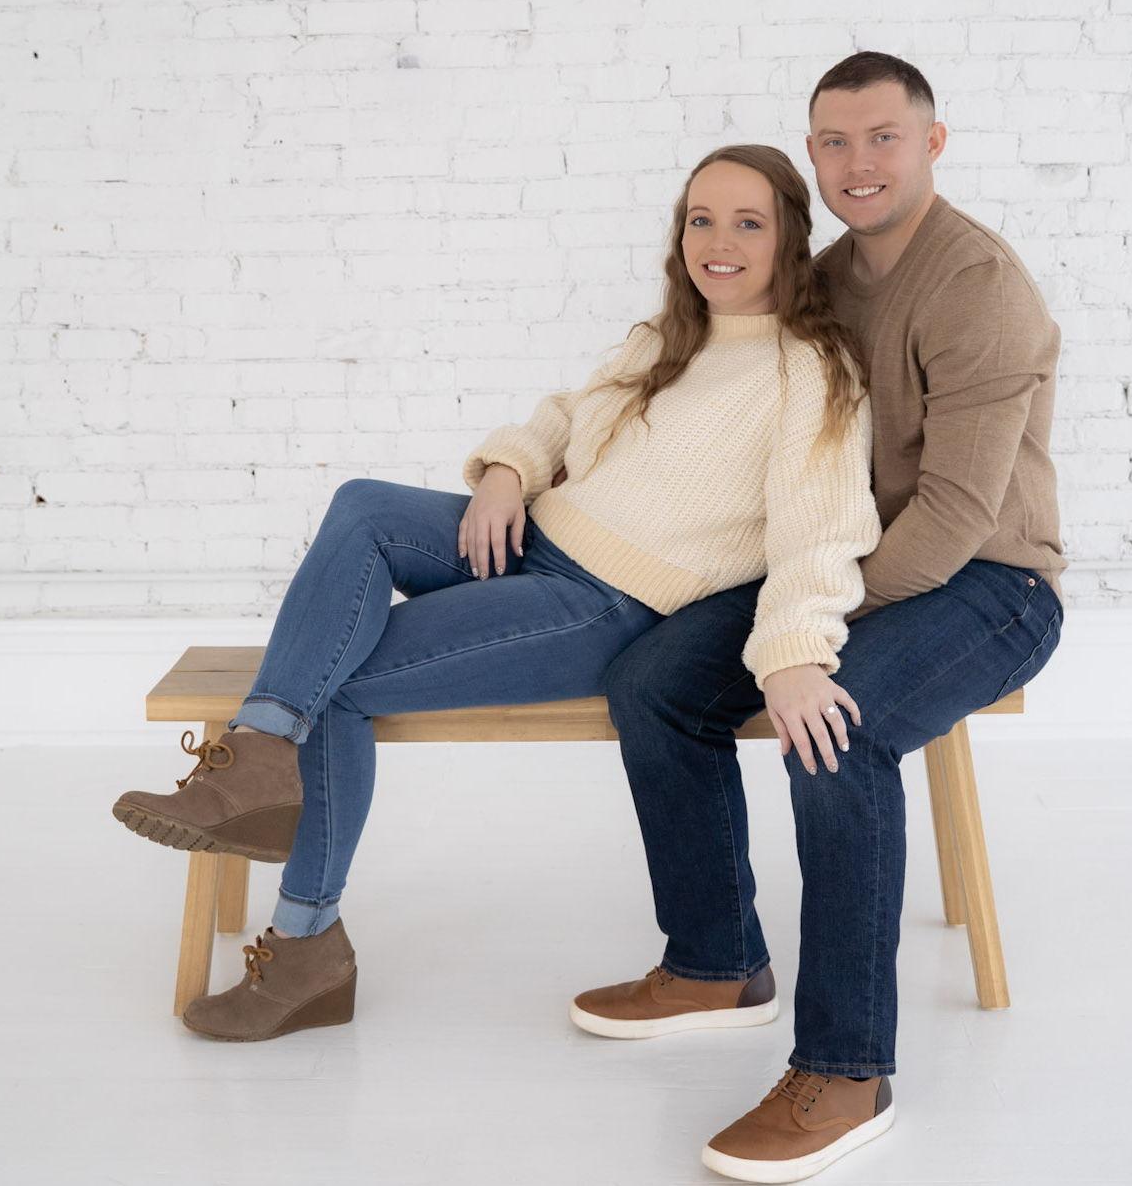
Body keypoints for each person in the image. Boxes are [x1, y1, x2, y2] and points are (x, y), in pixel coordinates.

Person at [110, 143, 882, 1051]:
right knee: (363, 507)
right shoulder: (667, 338)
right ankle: (261, 752)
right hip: (531, 536)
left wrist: (794, 652)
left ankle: (304, 943)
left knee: (340, 683)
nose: (718, 242)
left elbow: (819, 531)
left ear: (790, 237)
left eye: (747, 223)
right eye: (699, 220)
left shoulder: (810, 372)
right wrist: (509, 473)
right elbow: (563, 417)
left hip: (596, 603)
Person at [573, 52, 1066, 1184]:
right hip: (848, 568)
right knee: (653, 681)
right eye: (834, 142)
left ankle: (846, 1070)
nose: (858, 163)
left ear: (931, 144)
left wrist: (810, 639)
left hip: (991, 585)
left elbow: (956, 514)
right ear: (812, 154)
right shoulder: (825, 278)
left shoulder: (979, 286)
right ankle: (714, 964)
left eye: (883, 137)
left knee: (832, 731)